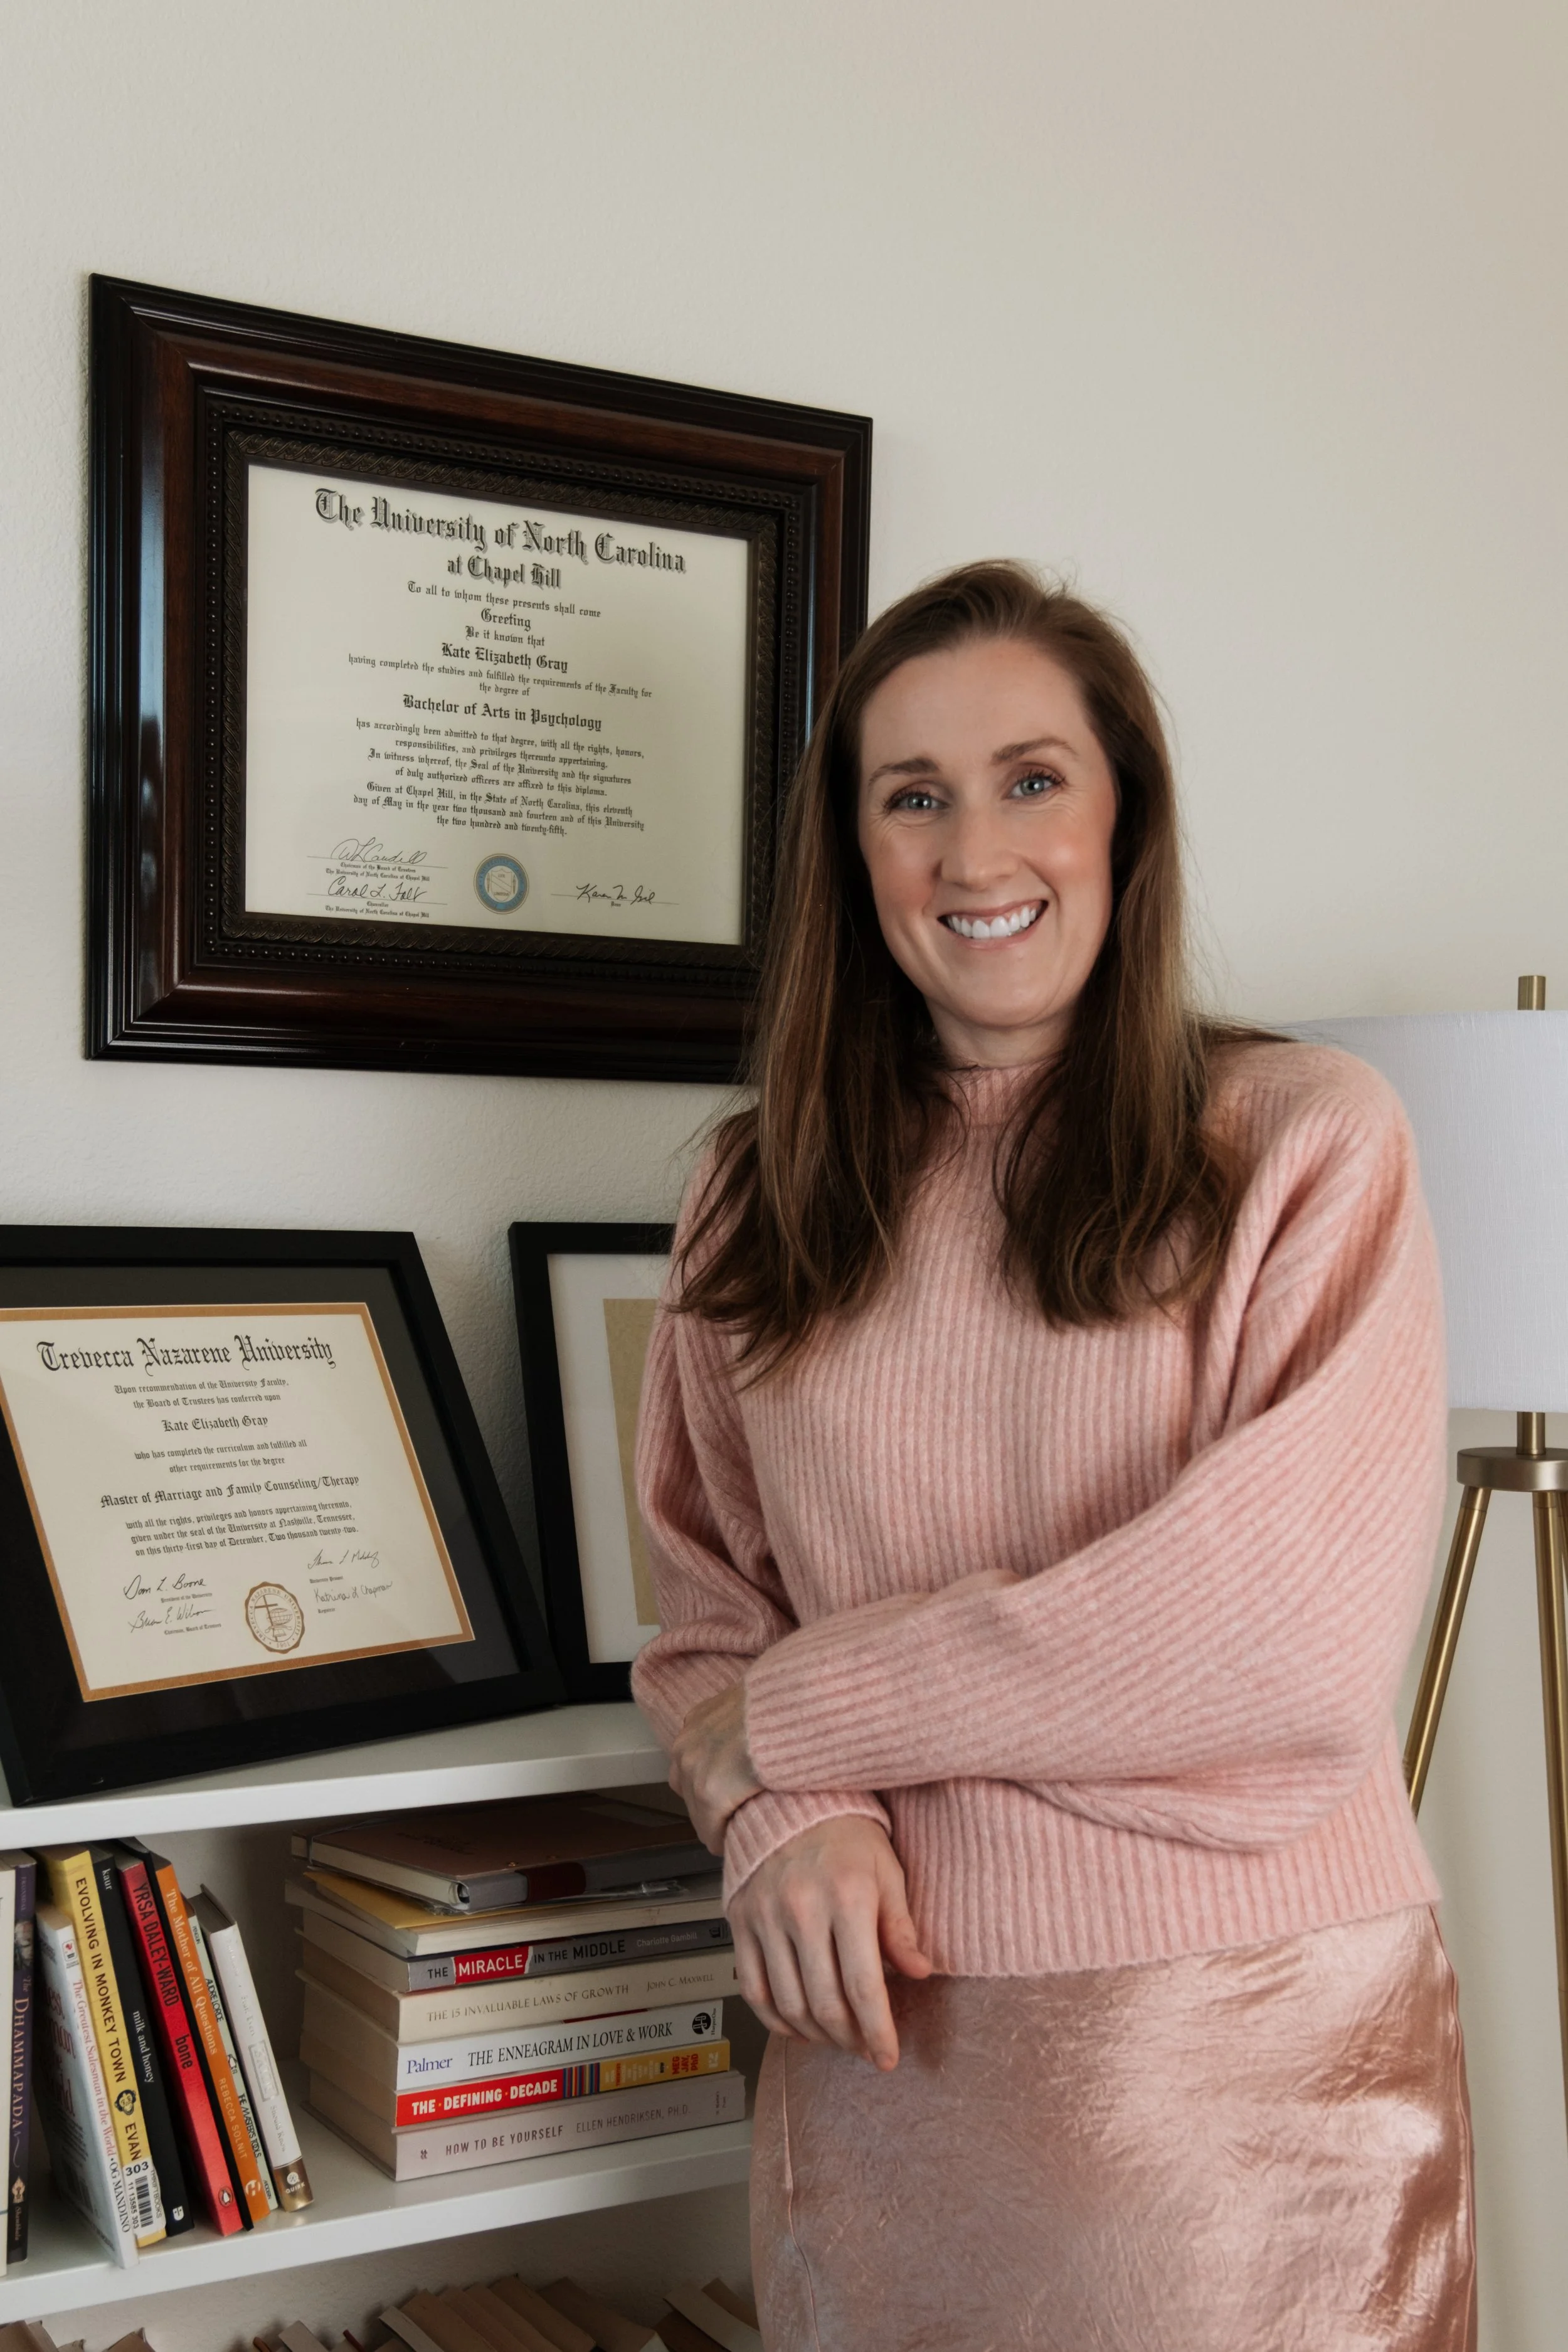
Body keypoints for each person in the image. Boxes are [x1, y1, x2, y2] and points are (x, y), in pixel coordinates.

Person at [630, 561, 1475, 2351]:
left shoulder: (1302, 1143)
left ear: (1124, 820)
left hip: (1239, 2062)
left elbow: (1274, 1642)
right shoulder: (747, 1194)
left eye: (1030, 778)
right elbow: (705, 1604)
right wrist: (779, 1815)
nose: (971, 849)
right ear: (852, 856)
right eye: (908, 795)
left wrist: (794, 1723)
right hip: (875, 2041)